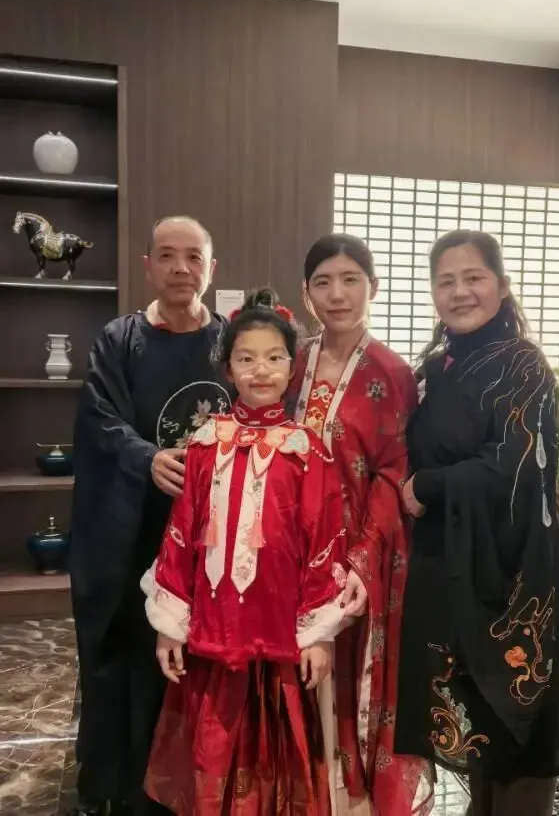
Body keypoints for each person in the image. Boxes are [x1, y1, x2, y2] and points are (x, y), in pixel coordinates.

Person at [139, 288, 365, 815]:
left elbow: (324, 542)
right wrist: (170, 622)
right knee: (213, 750)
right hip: (212, 630)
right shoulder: (204, 443)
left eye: (273, 358)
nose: (260, 370)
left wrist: (317, 634)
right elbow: (180, 534)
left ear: (291, 367)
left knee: (280, 759)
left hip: (280, 633)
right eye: (246, 358)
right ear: (228, 368)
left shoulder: (306, 449)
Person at [394, 230, 559, 816]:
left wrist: (427, 486)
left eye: (474, 277)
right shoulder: (438, 367)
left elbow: (512, 466)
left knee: (521, 742)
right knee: (481, 740)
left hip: (514, 578)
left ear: (501, 285)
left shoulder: (522, 363)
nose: (459, 292)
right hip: (453, 573)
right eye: (445, 281)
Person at [68, 216, 233, 816]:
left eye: (194, 256)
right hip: (132, 527)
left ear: (212, 268)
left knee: (198, 658)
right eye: (167, 256)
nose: (181, 268)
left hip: (212, 535)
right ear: (147, 266)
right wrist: (147, 458)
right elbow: (99, 417)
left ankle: (194, 782)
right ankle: (116, 781)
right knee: (123, 650)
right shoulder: (121, 339)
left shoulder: (231, 342)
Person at [292, 234, 434, 816]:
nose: (338, 294)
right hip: (289, 543)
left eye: (351, 280)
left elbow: (394, 471)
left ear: (372, 287)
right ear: (306, 293)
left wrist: (362, 556)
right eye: (323, 282)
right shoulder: (292, 360)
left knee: (349, 669)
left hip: (359, 549)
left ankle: (348, 797)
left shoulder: (391, 372)